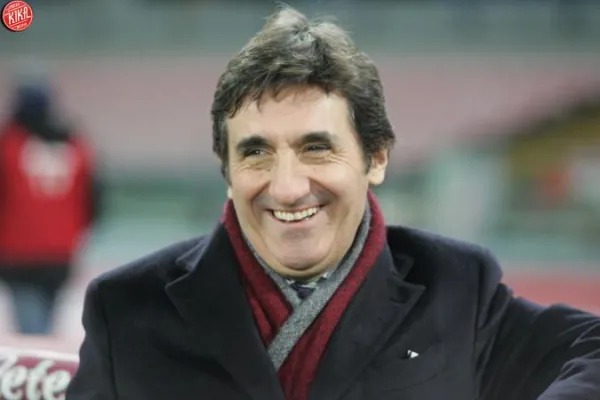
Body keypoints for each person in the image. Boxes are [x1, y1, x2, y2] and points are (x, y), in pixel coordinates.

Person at [66, 6, 600, 400]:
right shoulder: (127, 308)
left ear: (376, 157)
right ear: (227, 171)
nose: (287, 187)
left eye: (316, 148)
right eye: (255, 153)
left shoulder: (456, 289)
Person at [0, 78, 104, 335]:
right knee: (44, 323)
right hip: (61, 252)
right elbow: (93, 199)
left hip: (18, 253)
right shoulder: (75, 145)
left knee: (31, 329)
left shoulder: (9, 144)